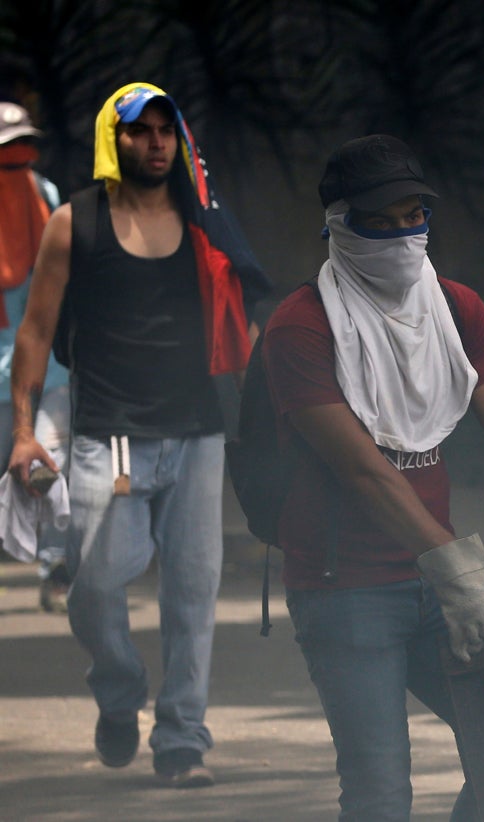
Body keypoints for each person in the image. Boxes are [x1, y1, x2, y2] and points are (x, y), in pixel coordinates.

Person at [264, 134, 484, 820]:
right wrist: (461, 573)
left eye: (414, 217)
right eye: (381, 221)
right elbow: (365, 471)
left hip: (433, 579)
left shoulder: (455, 308)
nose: (403, 235)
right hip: (347, 593)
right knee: (379, 790)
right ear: (338, 224)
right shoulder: (301, 327)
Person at [8, 82, 271, 787]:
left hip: (196, 433)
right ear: (112, 140)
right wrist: (26, 432)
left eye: (164, 130)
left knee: (193, 595)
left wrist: (263, 414)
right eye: (138, 130)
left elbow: (234, 315)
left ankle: (182, 738)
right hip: (107, 436)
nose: (154, 142)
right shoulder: (74, 223)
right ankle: (119, 692)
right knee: (93, 588)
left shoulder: (202, 218)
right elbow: (34, 331)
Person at [0, 100, 70, 611]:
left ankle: (55, 566)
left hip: (46, 368)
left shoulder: (46, 196)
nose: (17, 157)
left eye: (24, 146)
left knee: (47, 462)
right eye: (7, 149)